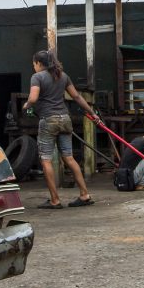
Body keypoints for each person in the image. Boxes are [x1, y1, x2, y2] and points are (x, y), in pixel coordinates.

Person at [22, 50, 99, 209]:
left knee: (46, 159)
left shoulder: (37, 77)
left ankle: (55, 200)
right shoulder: (63, 76)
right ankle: (85, 195)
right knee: (69, 158)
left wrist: (26, 105)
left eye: (34, 64)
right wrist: (93, 114)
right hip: (65, 119)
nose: (34, 66)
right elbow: (77, 96)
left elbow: (33, 98)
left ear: (39, 63)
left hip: (49, 121)